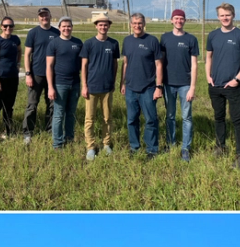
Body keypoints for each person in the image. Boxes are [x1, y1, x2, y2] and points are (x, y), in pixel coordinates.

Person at [206, 2, 240, 169]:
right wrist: (208, 77)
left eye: (227, 15)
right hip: (215, 85)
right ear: (218, 17)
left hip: (233, 87)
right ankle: (221, 146)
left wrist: (237, 79)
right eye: (222, 15)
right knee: (219, 118)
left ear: (233, 15)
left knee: (237, 120)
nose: (225, 18)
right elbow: (209, 58)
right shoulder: (212, 35)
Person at [120, 13, 164, 159]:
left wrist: (158, 86)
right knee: (132, 120)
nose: (137, 26)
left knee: (151, 119)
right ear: (130, 24)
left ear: (144, 24)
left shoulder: (152, 41)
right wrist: (122, 82)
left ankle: (152, 149)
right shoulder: (127, 41)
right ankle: (134, 147)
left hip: (148, 88)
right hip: (131, 88)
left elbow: (159, 65)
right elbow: (125, 63)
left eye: (140, 23)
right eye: (134, 23)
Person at [160, 9, 200, 162]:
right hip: (168, 84)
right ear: (171, 20)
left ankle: (186, 148)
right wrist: (159, 83)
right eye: (176, 18)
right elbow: (160, 62)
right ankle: (170, 143)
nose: (178, 21)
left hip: (185, 85)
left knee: (186, 117)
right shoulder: (164, 38)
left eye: (181, 18)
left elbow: (194, 65)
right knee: (170, 116)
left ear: (185, 21)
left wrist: (192, 87)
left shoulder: (191, 39)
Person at [80, 12, 120, 160]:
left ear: (109, 26)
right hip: (91, 87)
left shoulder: (114, 43)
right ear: (96, 26)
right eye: (100, 24)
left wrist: (113, 81)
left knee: (107, 118)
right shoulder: (89, 43)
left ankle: (106, 144)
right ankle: (90, 146)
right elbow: (84, 65)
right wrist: (84, 85)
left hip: (107, 88)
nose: (103, 27)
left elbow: (115, 64)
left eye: (106, 24)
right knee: (89, 119)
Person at [22, 7, 60, 144]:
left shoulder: (56, 33)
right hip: (36, 74)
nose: (44, 17)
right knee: (32, 104)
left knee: (52, 104)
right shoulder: (33, 33)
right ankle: (28, 132)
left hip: (54, 75)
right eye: (41, 15)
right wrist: (28, 74)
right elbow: (27, 55)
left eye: (46, 15)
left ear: (50, 16)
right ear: (38, 17)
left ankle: (49, 130)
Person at [46, 17, 84, 149]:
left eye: (69, 26)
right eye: (64, 26)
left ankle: (69, 138)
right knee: (58, 114)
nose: (66, 28)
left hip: (75, 83)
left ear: (72, 27)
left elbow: (83, 65)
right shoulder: (54, 43)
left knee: (71, 113)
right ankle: (57, 143)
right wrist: (51, 87)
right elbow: (49, 66)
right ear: (59, 28)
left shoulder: (78, 43)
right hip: (59, 84)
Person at [0, 17, 21, 140]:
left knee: (8, 106)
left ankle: (8, 130)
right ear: (1, 26)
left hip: (12, 78)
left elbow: (19, 51)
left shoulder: (15, 39)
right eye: (5, 26)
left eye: (11, 26)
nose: (8, 28)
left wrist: (18, 65)